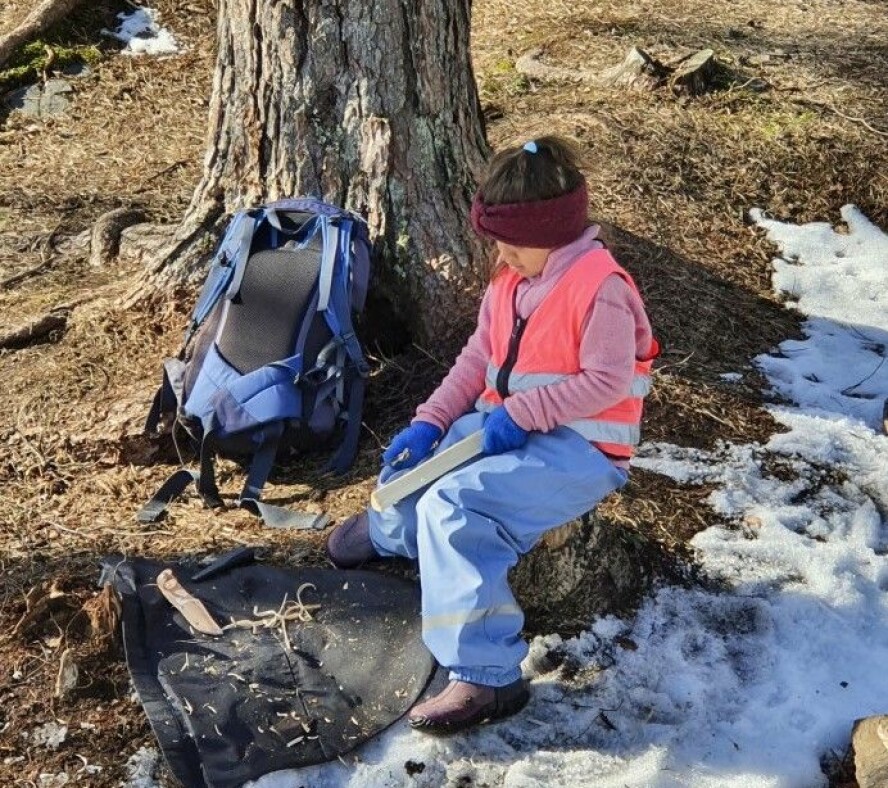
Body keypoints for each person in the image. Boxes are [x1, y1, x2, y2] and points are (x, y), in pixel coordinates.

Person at [327, 135, 659, 734]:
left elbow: (607, 381)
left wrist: (525, 414)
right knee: (414, 479)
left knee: (458, 508)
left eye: (511, 243)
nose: (501, 255)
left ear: (552, 230)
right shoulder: (510, 281)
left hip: (579, 450)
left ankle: (486, 678)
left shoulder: (600, 285)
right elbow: (478, 357)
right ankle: (387, 530)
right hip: (503, 428)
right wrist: (430, 419)